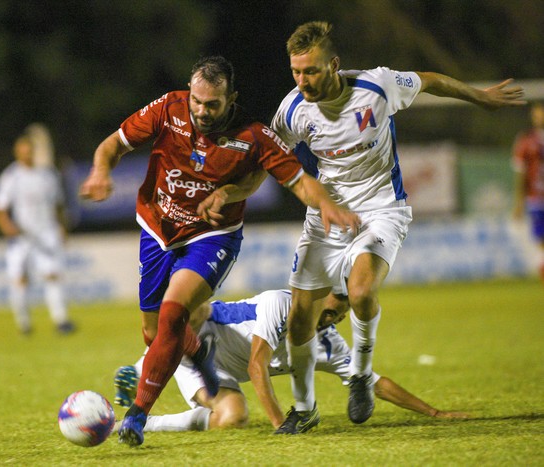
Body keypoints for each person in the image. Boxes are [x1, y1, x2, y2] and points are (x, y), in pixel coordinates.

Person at [79, 55, 360, 446]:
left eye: (212, 104)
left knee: (174, 313)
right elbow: (115, 143)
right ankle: (203, 364)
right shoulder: (168, 108)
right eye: (197, 101)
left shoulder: (254, 137)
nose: (201, 110)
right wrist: (100, 170)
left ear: (231, 100)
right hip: (157, 228)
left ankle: (137, 416)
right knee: (152, 332)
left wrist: (326, 203)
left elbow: (299, 181)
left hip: (213, 236)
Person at [261, 21, 526, 431]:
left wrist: (480, 96)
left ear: (334, 64)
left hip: (382, 208)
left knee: (361, 291)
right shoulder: (293, 109)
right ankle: (305, 408)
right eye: (295, 72)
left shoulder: (377, 86)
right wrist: (228, 194)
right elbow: (267, 156)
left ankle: (362, 376)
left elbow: (430, 80)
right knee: (300, 317)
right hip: (327, 215)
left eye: (310, 70)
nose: (302, 81)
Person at [113, 290, 470, 433]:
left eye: (339, 317)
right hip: (194, 349)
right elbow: (258, 365)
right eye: (329, 311)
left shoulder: (328, 342)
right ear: (314, 297)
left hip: (223, 371)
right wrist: (281, 423)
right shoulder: (279, 305)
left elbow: (372, 381)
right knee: (195, 307)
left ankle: (149, 423)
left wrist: (435, 414)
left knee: (233, 418)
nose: (330, 321)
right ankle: (142, 367)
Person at [0, 134, 75, 335]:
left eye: (29, 151)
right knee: (20, 279)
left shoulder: (48, 175)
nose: (27, 155)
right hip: (23, 236)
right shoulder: (11, 176)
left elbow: (58, 205)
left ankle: (60, 320)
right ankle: (24, 324)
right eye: (23, 151)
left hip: (46, 233)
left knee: (52, 275)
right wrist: (8, 227)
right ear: (17, 153)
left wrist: (61, 227)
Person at [512, 101, 544, 283]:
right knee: (540, 238)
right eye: (536, 114)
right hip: (536, 198)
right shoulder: (526, 140)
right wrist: (518, 201)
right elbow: (520, 171)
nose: (538, 117)